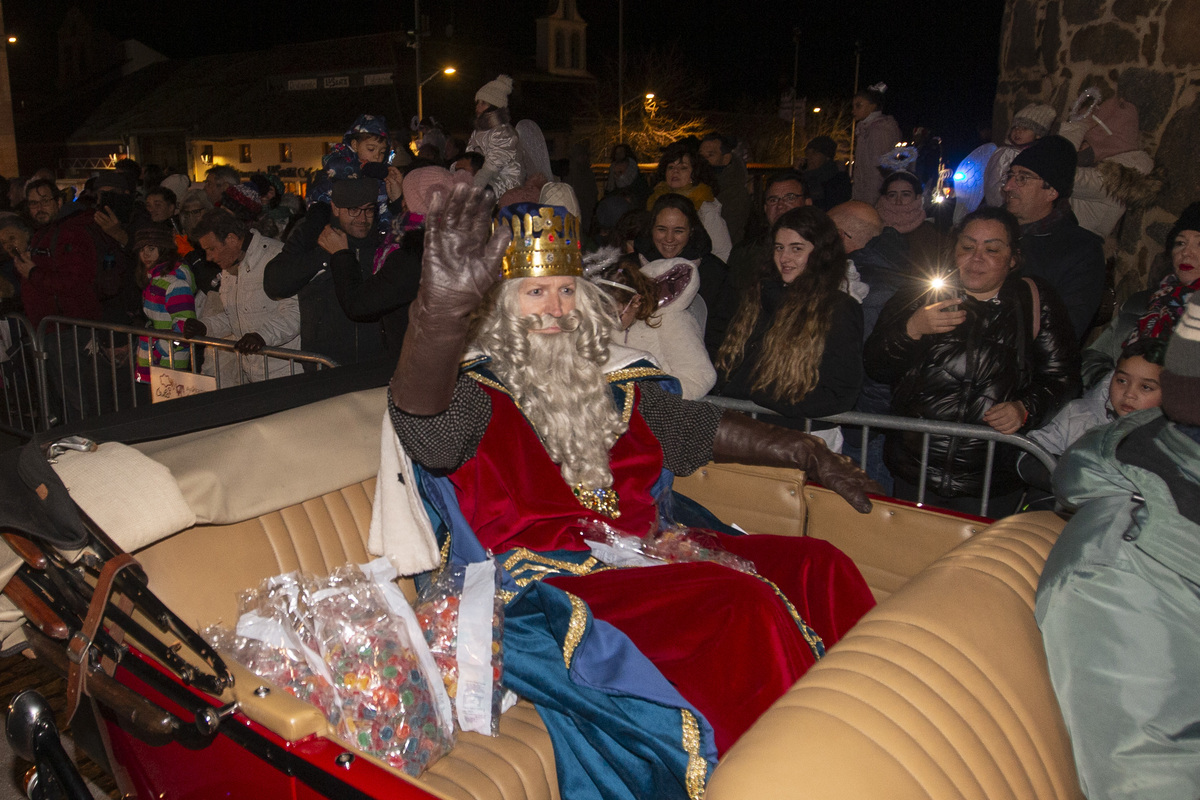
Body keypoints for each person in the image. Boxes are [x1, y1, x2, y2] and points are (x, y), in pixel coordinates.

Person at [386, 188, 878, 788]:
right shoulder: (472, 395)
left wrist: (804, 450)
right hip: (548, 580)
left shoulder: (613, 381)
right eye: (535, 292)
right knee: (739, 603)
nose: (556, 308)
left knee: (818, 565)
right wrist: (438, 315)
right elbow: (425, 428)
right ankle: (787, 774)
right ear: (497, 307)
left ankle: (873, 732)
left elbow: (695, 428)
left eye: (566, 290)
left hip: (645, 549)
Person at [1035, 291, 1200, 800]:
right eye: (1123, 382)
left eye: (1144, 384)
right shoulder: (1117, 569)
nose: (1128, 394)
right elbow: (1148, 768)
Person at [864, 206, 1079, 515]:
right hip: (916, 469)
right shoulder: (921, 291)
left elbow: (1063, 376)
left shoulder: (1033, 300)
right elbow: (876, 365)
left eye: (991, 249)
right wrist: (911, 329)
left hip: (992, 477)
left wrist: (1026, 408)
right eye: (967, 246)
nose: (976, 258)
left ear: (1013, 258)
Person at [711, 205, 863, 450]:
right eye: (779, 247)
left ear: (821, 253)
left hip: (803, 441)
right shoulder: (759, 297)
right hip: (749, 432)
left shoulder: (838, 309)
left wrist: (759, 392)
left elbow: (841, 393)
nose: (784, 258)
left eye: (797, 248)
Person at [330, 168, 461, 362]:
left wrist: (341, 254)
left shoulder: (414, 256)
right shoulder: (453, 241)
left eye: (407, 197)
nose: (402, 201)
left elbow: (359, 305)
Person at [263, 177, 386, 367]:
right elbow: (275, 285)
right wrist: (325, 253)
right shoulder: (311, 235)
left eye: (369, 210)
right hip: (325, 363)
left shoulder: (383, 242)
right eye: (353, 210)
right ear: (335, 208)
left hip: (375, 364)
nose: (362, 218)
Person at [1081, 202, 1200, 387]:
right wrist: (1117, 385)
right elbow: (1095, 356)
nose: (1186, 253)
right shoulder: (1143, 303)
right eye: (1181, 243)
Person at [1003, 134, 1106, 341]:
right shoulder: (988, 232)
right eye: (1010, 176)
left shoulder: (1081, 251)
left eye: (1023, 178)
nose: (1008, 187)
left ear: (1051, 191)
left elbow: (1065, 332)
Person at [184, 209, 298, 383]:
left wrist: (262, 337)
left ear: (231, 239)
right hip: (254, 372)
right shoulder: (231, 265)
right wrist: (205, 326)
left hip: (285, 372)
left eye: (212, 249)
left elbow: (295, 313)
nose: (209, 257)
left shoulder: (277, 257)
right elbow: (235, 317)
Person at [591, 252, 717, 400]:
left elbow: (699, 375)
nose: (609, 322)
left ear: (636, 301)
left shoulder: (671, 321)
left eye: (615, 315)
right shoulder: (607, 324)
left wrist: (658, 399)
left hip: (661, 409)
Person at [1058, 95, 1158, 240]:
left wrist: (1078, 127)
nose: (1081, 145)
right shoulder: (1107, 167)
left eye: (1086, 140)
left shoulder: (1117, 177)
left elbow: (1056, 170)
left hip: (1072, 244)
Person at [636, 193, 729, 326]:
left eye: (678, 231)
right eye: (661, 229)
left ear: (691, 231)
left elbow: (720, 326)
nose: (669, 238)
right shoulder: (631, 268)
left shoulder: (715, 273)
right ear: (651, 229)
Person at [308, 114, 404, 235]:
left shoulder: (380, 175)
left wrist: (385, 231)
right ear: (354, 145)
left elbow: (383, 208)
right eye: (371, 149)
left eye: (382, 152)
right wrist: (364, 168)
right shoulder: (340, 159)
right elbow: (334, 167)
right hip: (329, 223)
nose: (377, 156)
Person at [645, 141, 732, 262]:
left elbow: (723, 251)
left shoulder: (704, 205)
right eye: (671, 167)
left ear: (694, 174)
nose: (675, 171)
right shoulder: (654, 199)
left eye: (683, 168)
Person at [132, 225, 196, 387]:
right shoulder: (153, 279)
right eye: (142, 249)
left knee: (168, 407)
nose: (145, 254)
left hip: (169, 362)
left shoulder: (175, 283)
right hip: (155, 360)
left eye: (152, 248)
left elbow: (184, 326)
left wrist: (157, 349)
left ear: (164, 250)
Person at [726, 171, 811, 293]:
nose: (780, 205)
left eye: (790, 198)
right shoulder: (744, 253)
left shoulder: (821, 249)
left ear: (807, 203)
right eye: (773, 200)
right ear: (765, 208)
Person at [983, 103, 1056, 209]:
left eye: (1025, 129)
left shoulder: (1040, 157)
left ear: (1038, 134)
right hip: (1003, 205)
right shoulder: (1005, 154)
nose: (1018, 131)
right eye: (1015, 127)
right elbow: (994, 182)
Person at [467, 75, 525, 197]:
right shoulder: (478, 131)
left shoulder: (504, 133)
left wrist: (474, 187)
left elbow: (492, 166)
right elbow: (469, 156)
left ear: (494, 107)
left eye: (483, 103)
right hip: (485, 179)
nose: (478, 107)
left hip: (506, 184)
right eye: (478, 102)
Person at [875, 171, 945, 269]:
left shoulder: (930, 234)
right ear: (884, 197)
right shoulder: (874, 229)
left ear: (917, 197)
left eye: (905, 194)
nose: (898, 201)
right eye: (892, 195)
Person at [850, 83, 902, 204]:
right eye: (853, 106)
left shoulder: (879, 130)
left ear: (872, 107)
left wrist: (873, 201)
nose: (853, 110)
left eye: (859, 106)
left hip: (873, 196)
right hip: (866, 194)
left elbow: (878, 168)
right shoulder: (866, 128)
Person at [700, 133, 750, 247]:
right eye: (701, 156)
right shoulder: (698, 183)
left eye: (710, 155)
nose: (703, 161)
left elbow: (728, 232)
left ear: (726, 158)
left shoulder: (735, 193)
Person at [802, 135, 852, 211]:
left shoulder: (839, 180)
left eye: (815, 153)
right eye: (807, 153)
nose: (810, 157)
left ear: (827, 156)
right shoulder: (802, 177)